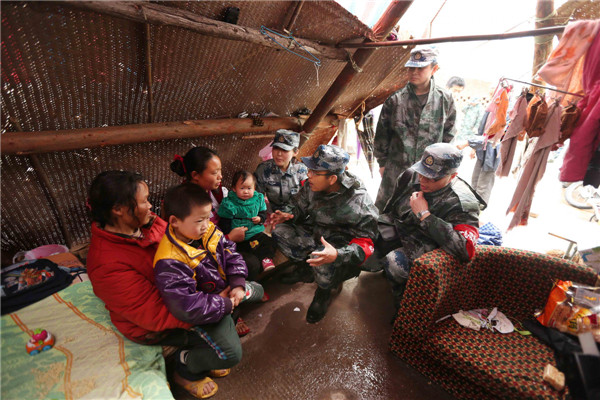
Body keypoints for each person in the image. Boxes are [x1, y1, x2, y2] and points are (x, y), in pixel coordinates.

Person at [86, 171, 231, 399]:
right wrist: (211, 306)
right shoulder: (106, 264)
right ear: (118, 209)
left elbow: (184, 243)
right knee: (225, 346)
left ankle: (203, 352)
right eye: (143, 201)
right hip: (157, 323)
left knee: (229, 310)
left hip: (185, 298)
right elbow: (154, 314)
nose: (150, 206)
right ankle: (185, 372)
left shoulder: (148, 223)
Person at [154, 183, 267, 398]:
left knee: (257, 291)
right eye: (199, 220)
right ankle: (186, 364)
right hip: (206, 312)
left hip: (223, 295)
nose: (207, 225)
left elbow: (230, 252)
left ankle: (238, 302)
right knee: (232, 355)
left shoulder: (205, 231)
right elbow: (187, 306)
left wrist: (237, 282)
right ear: (175, 222)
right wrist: (225, 302)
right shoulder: (170, 261)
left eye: (208, 217)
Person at [270, 145, 379, 323]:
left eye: (314, 172)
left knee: (321, 258)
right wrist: (288, 213)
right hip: (316, 232)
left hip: (340, 248)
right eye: (309, 170)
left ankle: (324, 290)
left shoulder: (359, 201)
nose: (309, 175)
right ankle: (306, 269)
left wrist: (337, 255)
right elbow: (297, 203)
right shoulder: (311, 186)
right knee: (280, 232)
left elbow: (367, 244)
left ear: (332, 178)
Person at [374, 143, 485, 308]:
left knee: (395, 263)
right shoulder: (411, 175)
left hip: (429, 246)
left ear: (452, 176)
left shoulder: (463, 202)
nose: (423, 180)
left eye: (433, 178)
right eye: (422, 172)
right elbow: (391, 209)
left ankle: (406, 306)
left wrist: (425, 216)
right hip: (404, 230)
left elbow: (465, 250)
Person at [171, 146, 260, 336]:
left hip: (222, 240)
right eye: (214, 172)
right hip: (206, 253)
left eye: (220, 171)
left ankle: (236, 298)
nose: (220, 176)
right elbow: (196, 242)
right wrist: (229, 238)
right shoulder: (186, 201)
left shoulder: (216, 191)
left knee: (254, 252)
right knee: (247, 264)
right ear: (195, 175)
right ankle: (232, 312)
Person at [374, 45, 457, 211]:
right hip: (396, 170)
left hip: (429, 173)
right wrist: (382, 164)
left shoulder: (444, 100)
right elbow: (382, 135)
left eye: (420, 68)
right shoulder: (395, 100)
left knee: (421, 215)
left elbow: (449, 136)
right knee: (385, 214)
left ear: (434, 69)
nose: (414, 72)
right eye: (411, 68)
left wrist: (444, 171)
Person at [218, 171, 276, 272]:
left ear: (254, 188)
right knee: (245, 251)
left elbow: (262, 212)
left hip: (255, 232)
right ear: (234, 188)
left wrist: (260, 218)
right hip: (239, 238)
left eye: (249, 188)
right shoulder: (229, 203)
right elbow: (224, 222)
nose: (246, 191)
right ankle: (256, 264)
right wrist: (229, 236)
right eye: (242, 188)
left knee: (269, 242)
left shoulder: (257, 199)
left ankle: (266, 260)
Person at [254, 129, 308, 214]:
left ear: (295, 152)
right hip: (272, 214)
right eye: (276, 148)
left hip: (296, 215)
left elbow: (306, 200)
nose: (279, 154)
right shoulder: (264, 169)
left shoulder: (302, 171)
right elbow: (256, 197)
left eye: (284, 150)